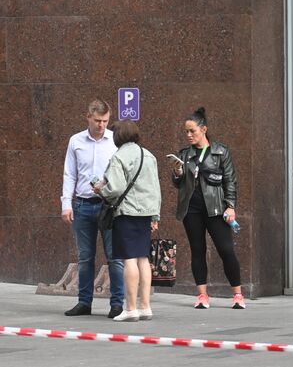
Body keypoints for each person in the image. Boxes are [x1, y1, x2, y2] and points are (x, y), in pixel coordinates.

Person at [171, 107, 244, 309]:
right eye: (186, 131)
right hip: (191, 209)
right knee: (197, 250)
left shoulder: (220, 152)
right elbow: (179, 184)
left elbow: (230, 180)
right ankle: (202, 295)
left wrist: (231, 206)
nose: (188, 135)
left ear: (204, 129)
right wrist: (177, 173)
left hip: (216, 208)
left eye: (192, 131)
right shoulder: (184, 154)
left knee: (226, 249)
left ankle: (237, 294)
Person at [60, 99, 125, 318]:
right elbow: (70, 174)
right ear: (88, 117)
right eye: (97, 120)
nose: (101, 125)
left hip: (109, 206)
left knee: (115, 257)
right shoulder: (76, 141)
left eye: (105, 121)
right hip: (82, 205)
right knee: (85, 257)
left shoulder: (115, 141)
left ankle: (117, 304)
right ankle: (84, 302)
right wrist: (66, 204)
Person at [95, 121, 161, 323]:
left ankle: (131, 308)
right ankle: (145, 306)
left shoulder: (119, 156)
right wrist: (155, 215)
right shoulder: (148, 155)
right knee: (143, 259)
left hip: (126, 212)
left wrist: (100, 190)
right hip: (146, 213)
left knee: (129, 259)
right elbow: (156, 188)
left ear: (118, 137)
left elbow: (114, 188)